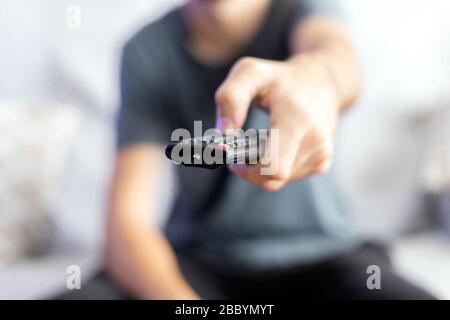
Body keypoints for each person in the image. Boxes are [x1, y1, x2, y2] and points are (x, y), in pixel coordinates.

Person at [59, 0, 434, 300]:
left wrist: (317, 78)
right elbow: (128, 221)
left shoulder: (305, 11)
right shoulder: (146, 50)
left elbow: (335, 57)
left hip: (326, 259)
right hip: (197, 262)